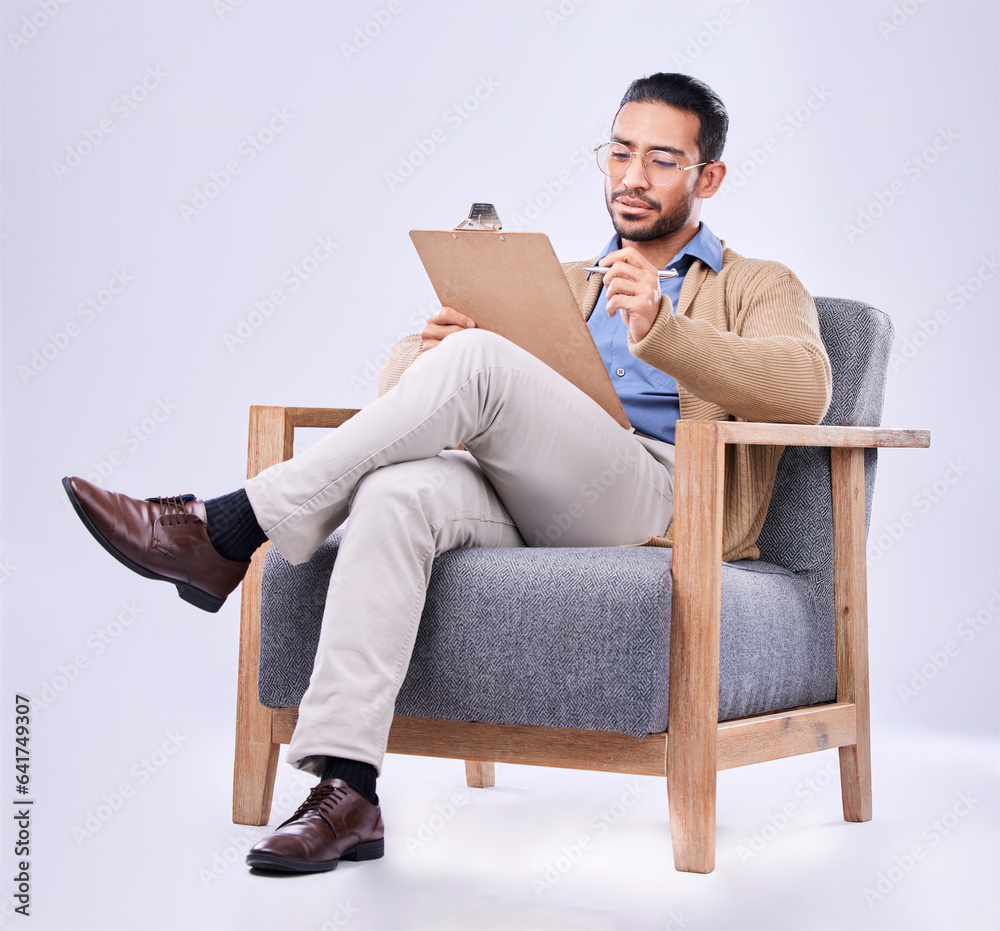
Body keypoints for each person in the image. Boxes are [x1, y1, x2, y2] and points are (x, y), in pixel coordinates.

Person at [63, 72, 832, 874]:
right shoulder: (565, 279)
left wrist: (666, 330)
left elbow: (807, 389)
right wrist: (425, 351)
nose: (633, 177)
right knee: (398, 491)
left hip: (665, 499)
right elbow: (410, 407)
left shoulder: (757, 282)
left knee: (476, 368)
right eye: (620, 152)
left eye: (663, 160)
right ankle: (347, 788)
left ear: (707, 178)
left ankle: (224, 526)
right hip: (540, 493)